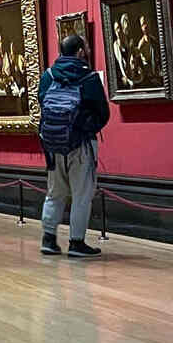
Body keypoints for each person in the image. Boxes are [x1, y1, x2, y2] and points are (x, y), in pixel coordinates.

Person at [37, 34, 110, 258]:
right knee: (82, 194)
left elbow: (41, 101)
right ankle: (76, 242)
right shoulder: (88, 77)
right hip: (81, 144)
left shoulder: (48, 75)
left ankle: (48, 239)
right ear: (80, 51)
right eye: (85, 47)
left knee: (54, 192)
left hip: (52, 144)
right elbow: (103, 113)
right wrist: (85, 128)